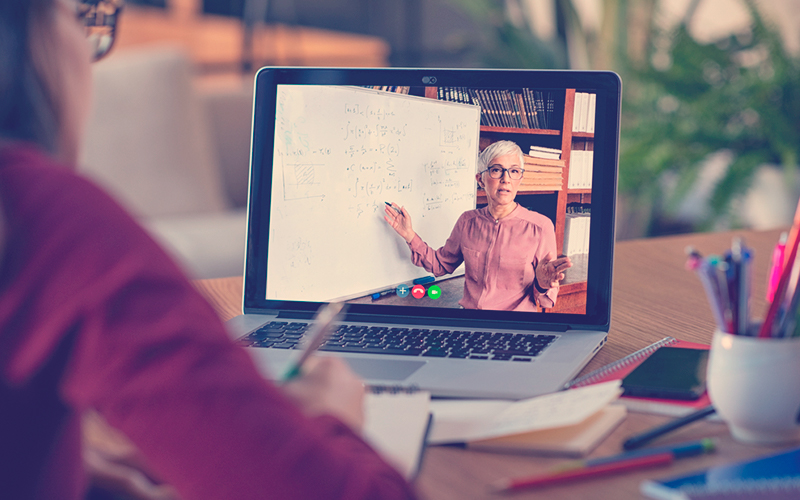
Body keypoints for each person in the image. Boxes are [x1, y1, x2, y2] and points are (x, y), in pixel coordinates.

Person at [0, 1, 417, 499]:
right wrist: (331, 419)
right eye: (82, 17)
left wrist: (83, 476)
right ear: (24, 30)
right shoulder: (46, 223)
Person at [385, 140, 572, 311]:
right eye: (497, 170)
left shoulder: (540, 227)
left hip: (514, 328)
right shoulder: (467, 221)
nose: (506, 179)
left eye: (514, 171)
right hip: (471, 323)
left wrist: (541, 283)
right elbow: (441, 265)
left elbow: (547, 301)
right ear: (480, 179)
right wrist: (409, 235)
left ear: (520, 179)